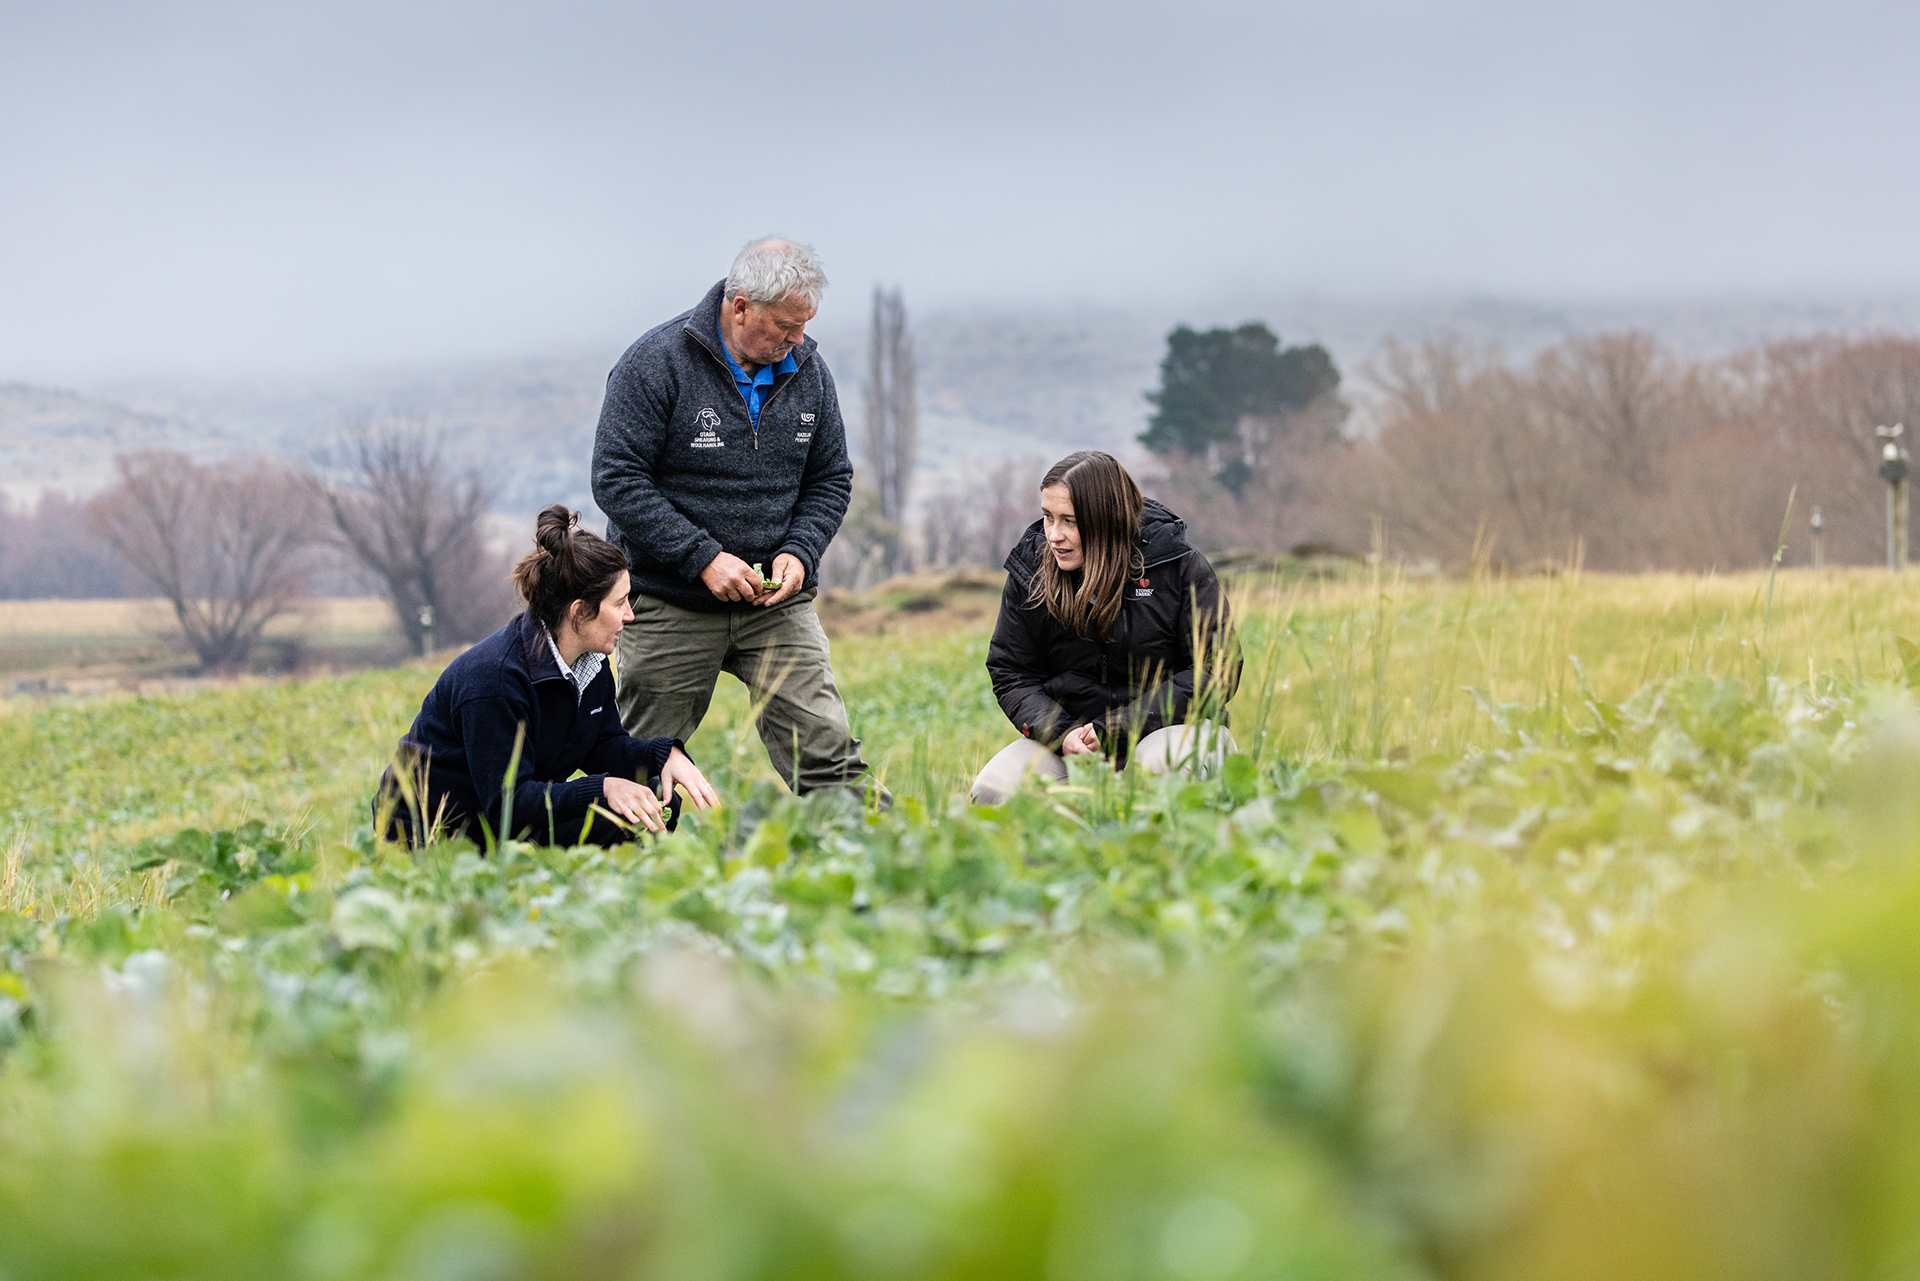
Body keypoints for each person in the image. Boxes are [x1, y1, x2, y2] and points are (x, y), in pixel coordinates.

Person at [591, 235, 883, 802]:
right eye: (784, 326)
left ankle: (879, 867)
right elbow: (616, 478)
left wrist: (800, 551)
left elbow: (830, 479)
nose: (799, 340)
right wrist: (702, 558)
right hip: (669, 600)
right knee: (642, 763)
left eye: (805, 325)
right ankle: (622, 878)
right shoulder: (655, 363)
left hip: (775, 606)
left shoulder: (809, 372)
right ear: (740, 305)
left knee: (826, 750)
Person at [375, 505, 718, 847]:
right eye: (620, 603)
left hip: (508, 822)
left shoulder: (591, 662)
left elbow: (603, 746)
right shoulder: (494, 681)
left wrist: (662, 756)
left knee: (654, 803)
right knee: (618, 803)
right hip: (436, 835)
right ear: (579, 612)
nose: (629, 616)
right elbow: (507, 804)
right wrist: (602, 787)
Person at [973, 451, 1242, 805]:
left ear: (1106, 519)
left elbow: (1217, 670)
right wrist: (1060, 732)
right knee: (993, 790)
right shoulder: (1031, 573)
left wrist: (1116, 728)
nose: (1053, 535)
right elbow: (1011, 671)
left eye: (1069, 521)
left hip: (1171, 732)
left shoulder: (1178, 567)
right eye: (1047, 518)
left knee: (1157, 771)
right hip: (1072, 742)